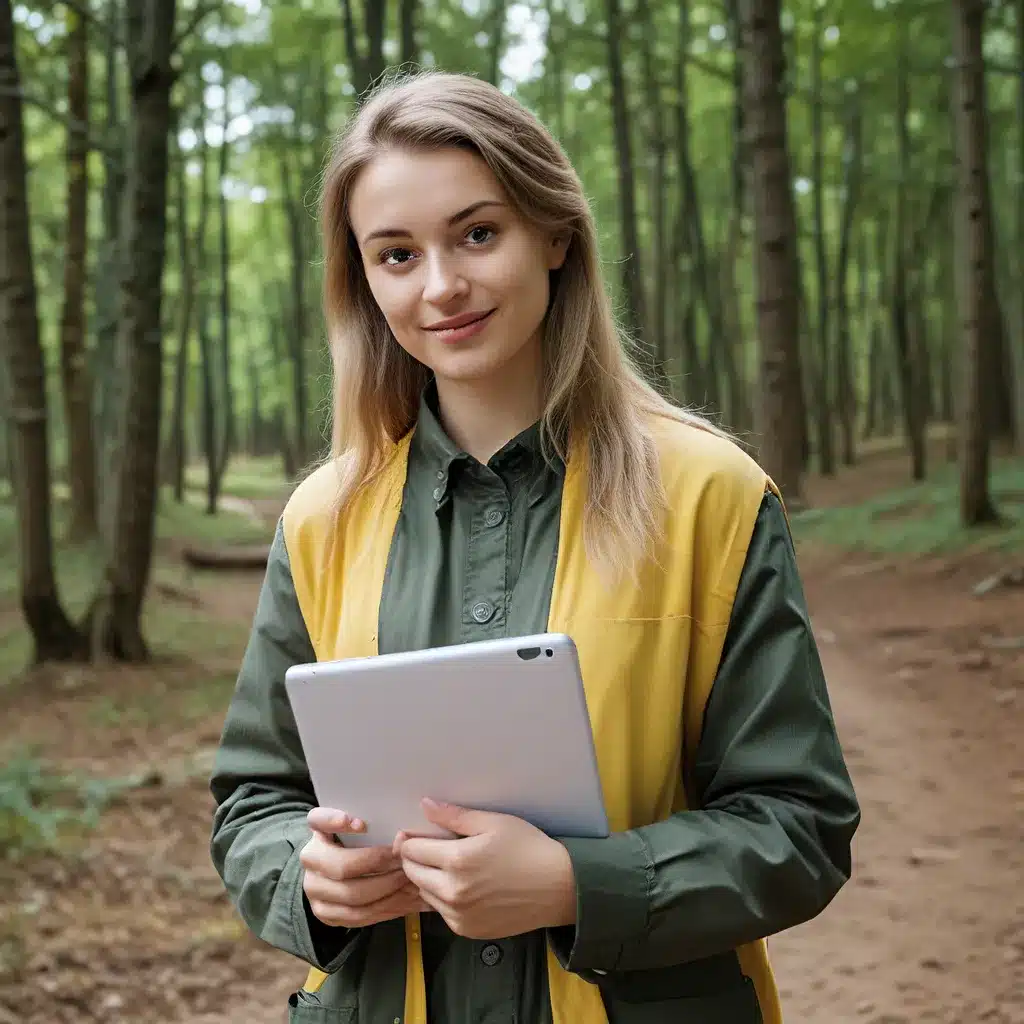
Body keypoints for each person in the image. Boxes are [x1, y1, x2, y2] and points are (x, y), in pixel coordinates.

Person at [209, 70, 860, 1024]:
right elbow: (253, 801)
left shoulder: (710, 498)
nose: (442, 286)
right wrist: (306, 881)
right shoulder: (321, 521)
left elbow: (799, 829)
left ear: (555, 235)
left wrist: (577, 884)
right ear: (363, 281)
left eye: (478, 233)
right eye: (396, 254)